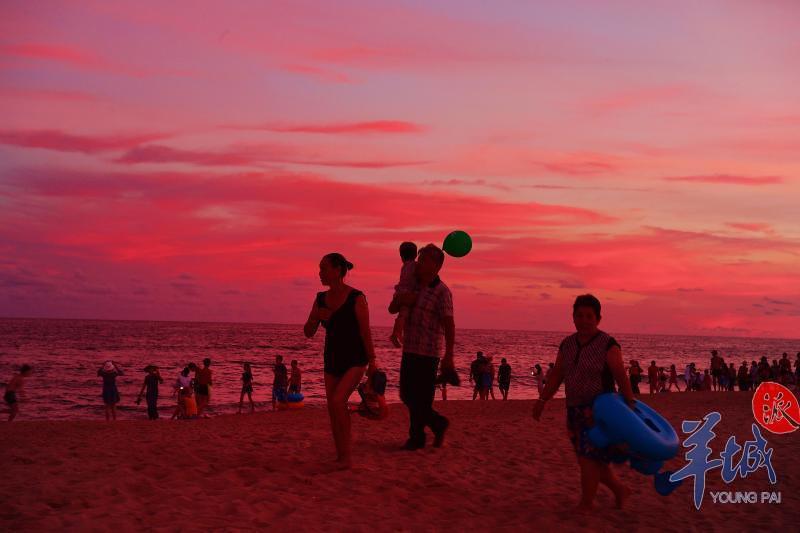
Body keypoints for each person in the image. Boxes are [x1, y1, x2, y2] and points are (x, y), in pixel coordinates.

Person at [532, 294, 635, 511]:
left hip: (600, 411)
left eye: (589, 316)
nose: (584, 320)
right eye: (579, 315)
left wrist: (630, 402)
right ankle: (620, 490)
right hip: (574, 410)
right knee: (589, 460)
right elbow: (558, 374)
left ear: (598, 318)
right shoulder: (567, 344)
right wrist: (543, 399)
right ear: (573, 318)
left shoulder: (608, 344)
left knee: (589, 460)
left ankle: (586, 503)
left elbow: (620, 374)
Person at [304, 252, 376, 469]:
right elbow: (308, 332)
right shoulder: (320, 299)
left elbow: (365, 332)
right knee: (333, 408)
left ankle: (346, 458)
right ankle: (341, 456)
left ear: (337, 271)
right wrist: (317, 317)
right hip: (332, 358)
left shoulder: (357, 297)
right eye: (319, 268)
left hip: (355, 358)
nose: (320, 272)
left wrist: (373, 362)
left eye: (323, 268)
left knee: (338, 401)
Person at [389, 243, 454, 451]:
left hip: (429, 353)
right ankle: (438, 424)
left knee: (423, 399)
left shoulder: (442, 291)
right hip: (410, 349)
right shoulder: (413, 284)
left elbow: (449, 325)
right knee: (406, 395)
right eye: (419, 258)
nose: (419, 262)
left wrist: (449, 355)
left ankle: (417, 438)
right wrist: (401, 300)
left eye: (423, 259)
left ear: (436, 265)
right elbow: (392, 308)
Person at [389, 241, 418, 348]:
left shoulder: (404, 266)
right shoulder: (415, 265)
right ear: (415, 255)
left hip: (399, 293)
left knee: (401, 315)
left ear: (401, 256)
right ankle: (396, 334)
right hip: (406, 294)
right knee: (403, 315)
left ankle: (397, 333)